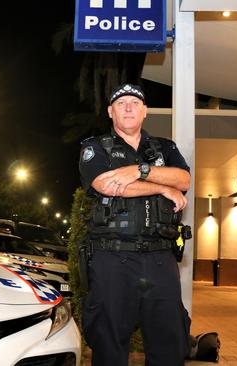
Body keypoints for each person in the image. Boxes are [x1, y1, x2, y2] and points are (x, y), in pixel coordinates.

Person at [78, 83, 191, 366]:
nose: (128, 107)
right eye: (121, 103)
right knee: (109, 344)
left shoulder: (165, 148)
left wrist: (139, 170)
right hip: (112, 258)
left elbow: (183, 180)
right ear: (110, 112)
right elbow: (106, 185)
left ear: (145, 111)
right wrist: (160, 188)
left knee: (170, 343)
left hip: (160, 259)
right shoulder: (95, 147)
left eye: (134, 102)